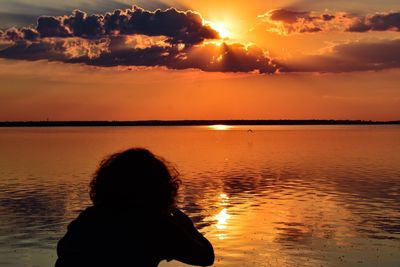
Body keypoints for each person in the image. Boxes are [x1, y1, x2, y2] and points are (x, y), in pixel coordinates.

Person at [55, 148, 214, 267]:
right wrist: (182, 221)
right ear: (161, 189)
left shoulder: (90, 218)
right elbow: (205, 257)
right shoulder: (156, 225)